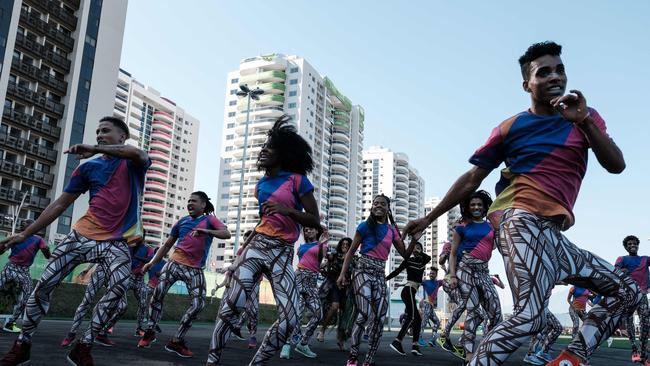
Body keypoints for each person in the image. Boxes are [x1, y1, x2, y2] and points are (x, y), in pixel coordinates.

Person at [403, 41, 639, 366]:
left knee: (627, 291)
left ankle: (571, 358)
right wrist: (429, 218)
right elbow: (473, 179)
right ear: (527, 84)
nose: (555, 76)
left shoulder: (585, 117)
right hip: (520, 223)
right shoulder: (510, 128)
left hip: (553, 235)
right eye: (544, 72)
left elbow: (616, 164)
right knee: (530, 316)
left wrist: (583, 121)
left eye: (560, 69)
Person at [0, 116, 150, 366]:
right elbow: (59, 204)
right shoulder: (87, 168)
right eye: (97, 131)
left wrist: (95, 148)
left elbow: (136, 153)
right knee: (43, 286)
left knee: (118, 289)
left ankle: (84, 345)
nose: (100, 135)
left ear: (122, 137)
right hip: (80, 236)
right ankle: (22, 344)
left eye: (105, 131)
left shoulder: (134, 163)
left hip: (116, 242)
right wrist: (26, 234)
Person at [207, 116, 320, 365]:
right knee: (232, 305)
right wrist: (239, 256)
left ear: (285, 153)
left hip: (282, 253)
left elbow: (314, 221)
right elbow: (264, 222)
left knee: (291, 319)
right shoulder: (260, 185)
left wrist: (287, 210)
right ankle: (212, 361)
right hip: (257, 247)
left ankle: (257, 362)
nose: (264, 150)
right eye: (264, 147)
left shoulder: (299, 181)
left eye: (271, 147)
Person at [138, 191, 230, 358]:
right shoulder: (182, 221)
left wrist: (207, 232)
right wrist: (152, 262)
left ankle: (176, 340)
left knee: (199, 304)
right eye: (188, 201)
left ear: (203, 205)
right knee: (157, 294)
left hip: (194, 269)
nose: (190, 203)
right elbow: (166, 246)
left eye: (194, 201)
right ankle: (150, 331)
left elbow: (226, 234)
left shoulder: (209, 220)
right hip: (174, 263)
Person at [337, 194, 418, 366]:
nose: (378, 206)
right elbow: (351, 251)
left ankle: (368, 360)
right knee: (364, 313)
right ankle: (352, 357)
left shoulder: (391, 230)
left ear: (388, 208)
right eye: (375, 203)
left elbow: (405, 254)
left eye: (382, 203)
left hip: (379, 274)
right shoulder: (365, 226)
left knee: (379, 318)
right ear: (371, 207)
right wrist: (343, 273)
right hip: (362, 271)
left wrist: (414, 240)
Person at [446, 190, 502, 362]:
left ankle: (486, 350)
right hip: (465, 270)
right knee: (474, 311)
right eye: (472, 205)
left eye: (479, 204)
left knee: (496, 314)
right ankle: (469, 355)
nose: (476, 207)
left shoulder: (492, 227)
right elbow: (453, 254)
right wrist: (453, 275)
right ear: (468, 208)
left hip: (483, 272)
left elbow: (494, 247)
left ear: (485, 207)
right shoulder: (461, 228)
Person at [280, 225, 328, 359]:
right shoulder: (301, 247)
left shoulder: (322, 246)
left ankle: (303, 343)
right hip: (300, 279)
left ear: (317, 231)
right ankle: (286, 345)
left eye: (311, 229)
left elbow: (319, 261)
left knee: (318, 314)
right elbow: (307, 261)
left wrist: (318, 223)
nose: (308, 231)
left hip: (312, 284)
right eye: (306, 230)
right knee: (297, 315)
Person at [0, 220, 50, 333]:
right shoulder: (16, 237)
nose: (23, 224)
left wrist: (47, 250)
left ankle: (10, 323)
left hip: (24, 271)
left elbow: (47, 256)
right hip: (10, 268)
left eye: (28, 223)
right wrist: (5, 245)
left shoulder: (39, 239)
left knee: (27, 297)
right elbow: (2, 251)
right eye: (23, 224)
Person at [386, 241, 431, 356]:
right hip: (408, 290)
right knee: (411, 316)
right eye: (414, 248)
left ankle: (415, 346)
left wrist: (418, 251)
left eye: (419, 248)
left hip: (411, 291)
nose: (416, 249)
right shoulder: (408, 261)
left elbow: (428, 257)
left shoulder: (422, 261)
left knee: (418, 319)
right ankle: (397, 341)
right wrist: (385, 279)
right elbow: (396, 272)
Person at [615, 235, 650, 364]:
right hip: (628, 295)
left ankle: (643, 354)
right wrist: (622, 271)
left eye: (634, 243)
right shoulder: (622, 259)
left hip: (642, 295)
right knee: (629, 324)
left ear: (638, 244)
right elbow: (615, 272)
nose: (632, 245)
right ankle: (634, 349)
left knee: (646, 324)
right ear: (626, 247)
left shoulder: (645, 259)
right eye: (629, 244)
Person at [318, 237, 353, 349]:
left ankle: (340, 339)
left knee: (345, 314)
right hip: (333, 286)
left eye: (347, 244)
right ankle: (322, 330)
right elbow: (323, 257)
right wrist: (322, 245)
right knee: (334, 306)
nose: (345, 246)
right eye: (343, 244)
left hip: (346, 289)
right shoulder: (334, 255)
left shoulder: (353, 259)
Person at [419, 267, 444, 347]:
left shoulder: (438, 283)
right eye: (430, 273)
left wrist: (445, 269)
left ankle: (432, 340)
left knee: (437, 322)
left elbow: (447, 279)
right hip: (426, 305)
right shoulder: (425, 282)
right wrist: (401, 284)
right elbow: (414, 282)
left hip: (431, 307)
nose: (431, 275)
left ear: (436, 275)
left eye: (433, 273)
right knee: (424, 322)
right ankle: (419, 339)